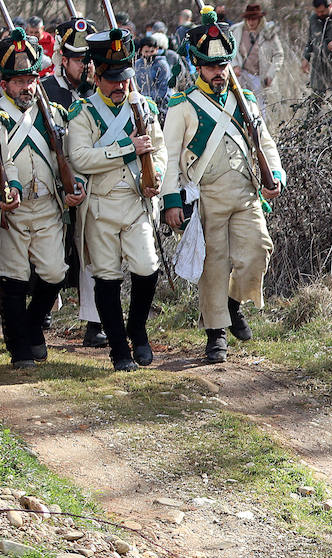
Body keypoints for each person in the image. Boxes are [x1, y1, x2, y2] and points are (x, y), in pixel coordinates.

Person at [161, 9, 284, 364]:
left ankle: (233, 304)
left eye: (224, 65)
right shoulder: (182, 105)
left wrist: (275, 174)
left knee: (258, 252)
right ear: (198, 67)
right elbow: (169, 159)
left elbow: (266, 142)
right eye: (212, 67)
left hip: (246, 194)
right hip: (208, 196)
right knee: (213, 265)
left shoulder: (243, 98)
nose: (219, 72)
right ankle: (215, 334)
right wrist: (171, 201)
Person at [65, 27, 166, 371]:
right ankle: (119, 349)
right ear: (97, 75)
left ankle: (138, 331)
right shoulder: (82, 112)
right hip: (99, 207)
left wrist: (158, 176)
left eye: (124, 78)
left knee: (147, 267)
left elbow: (160, 149)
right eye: (111, 79)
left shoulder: (145, 108)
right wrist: (127, 148)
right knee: (106, 277)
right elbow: (80, 158)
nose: (119, 85)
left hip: (136, 203)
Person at [0, 28, 86, 368]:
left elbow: (69, 158)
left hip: (48, 206)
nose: (27, 87)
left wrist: (73, 185)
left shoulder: (53, 113)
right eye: (20, 81)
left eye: (31, 79)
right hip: (13, 210)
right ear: (5, 83)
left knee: (54, 273)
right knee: (15, 278)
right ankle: (20, 347)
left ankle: (32, 326)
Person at [41, 17, 106, 349]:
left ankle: (95, 322)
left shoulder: (100, 92)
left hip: (92, 183)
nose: (86, 65)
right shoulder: (45, 92)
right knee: (49, 250)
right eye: (80, 59)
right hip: (53, 186)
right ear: (63, 59)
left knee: (93, 251)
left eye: (89, 58)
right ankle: (41, 311)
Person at [229, 3, 282, 110]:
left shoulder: (269, 32)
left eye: (254, 19)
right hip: (242, 75)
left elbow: (279, 54)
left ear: (259, 19)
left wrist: (270, 74)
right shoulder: (236, 31)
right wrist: (235, 66)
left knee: (260, 109)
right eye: (248, 19)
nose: (251, 22)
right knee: (240, 106)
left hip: (260, 77)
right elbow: (231, 51)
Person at [134, 36, 171, 111]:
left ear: (156, 50)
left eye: (152, 51)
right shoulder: (137, 64)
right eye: (146, 52)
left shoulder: (162, 65)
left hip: (160, 105)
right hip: (142, 103)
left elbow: (163, 89)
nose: (149, 55)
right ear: (141, 51)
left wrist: (149, 100)